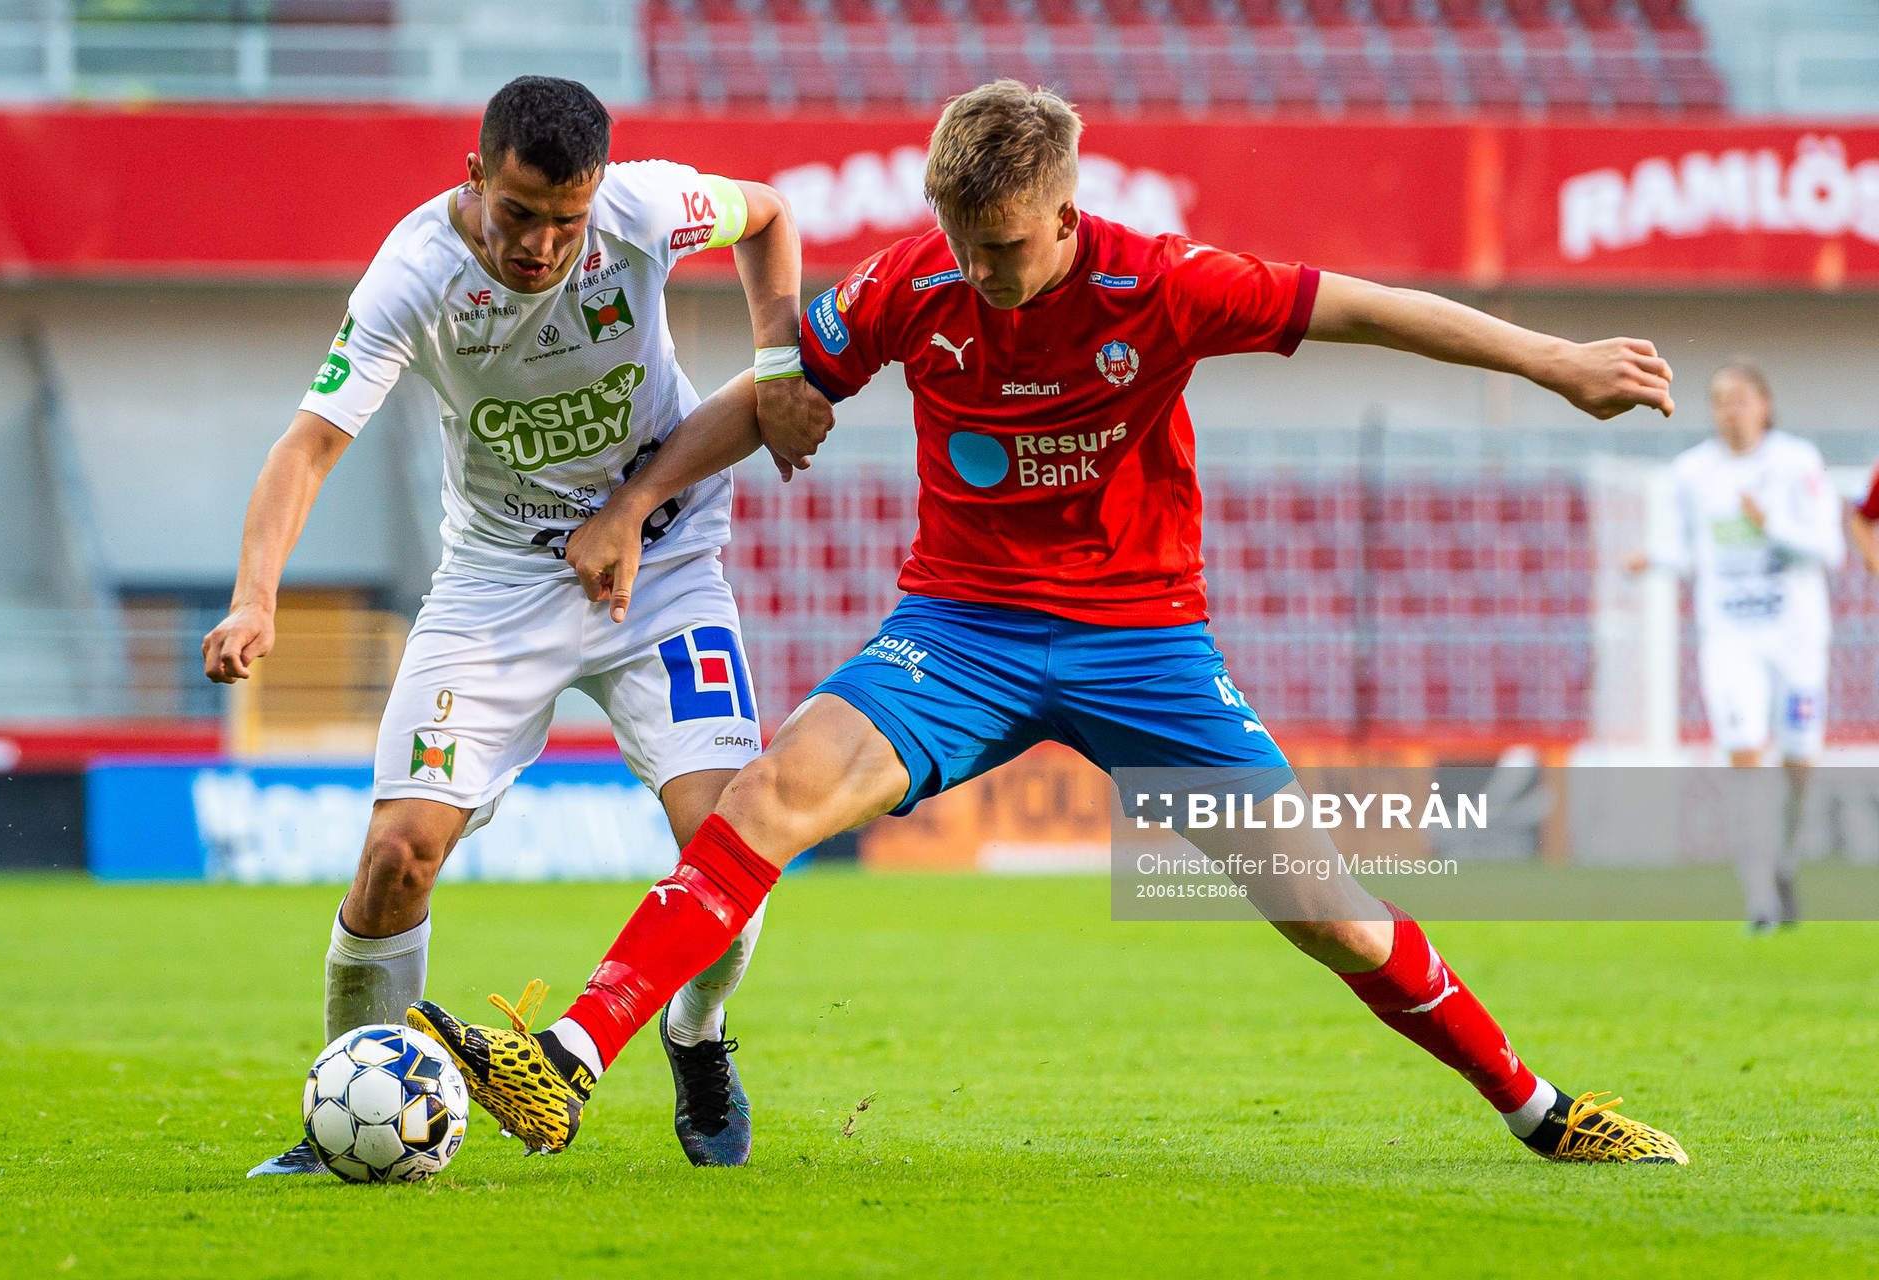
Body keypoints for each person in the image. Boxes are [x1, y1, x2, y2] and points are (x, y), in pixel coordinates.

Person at [411, 81, 1687, 1165]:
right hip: (958, 630)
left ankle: (1543, 1111)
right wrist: (641, 497)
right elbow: (773, 387)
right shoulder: (919, 282)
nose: (983, 275)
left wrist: (1555, 361)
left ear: (1068, 216)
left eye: (1007, 250)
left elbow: (1366, 306)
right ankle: (570, 1060)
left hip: (1144, 642)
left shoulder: (1165, 283)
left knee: (1332, 913)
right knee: (767, 793)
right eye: (962, 243)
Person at [202, 75, 831, 1175]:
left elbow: (770, 211)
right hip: (495, 583)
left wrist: (778, 361)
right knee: (399, 851)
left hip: (666, 564)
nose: (542, 244)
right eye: (520, 212)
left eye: (565, 220)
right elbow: (307, 444)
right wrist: (257, 594)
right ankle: (352, 1107)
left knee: (727, 845)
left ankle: (695, 1030)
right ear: (476, 175)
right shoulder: (413, 276)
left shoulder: (641, 208)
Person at [1626, 364, 1844, 930]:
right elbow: (1687, 551)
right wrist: (1653, 559)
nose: (1731, 410)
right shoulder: (1692, 472)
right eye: (1720, 400)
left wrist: (1769, 524)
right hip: (1729, 637)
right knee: (1744, 754)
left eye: (1741, 399)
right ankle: (1760, 900)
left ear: (1765, 405)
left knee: (1798, 761)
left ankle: (1786, 862)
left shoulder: (1798, 462)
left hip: (1796, 636)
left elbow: (1829, 548)